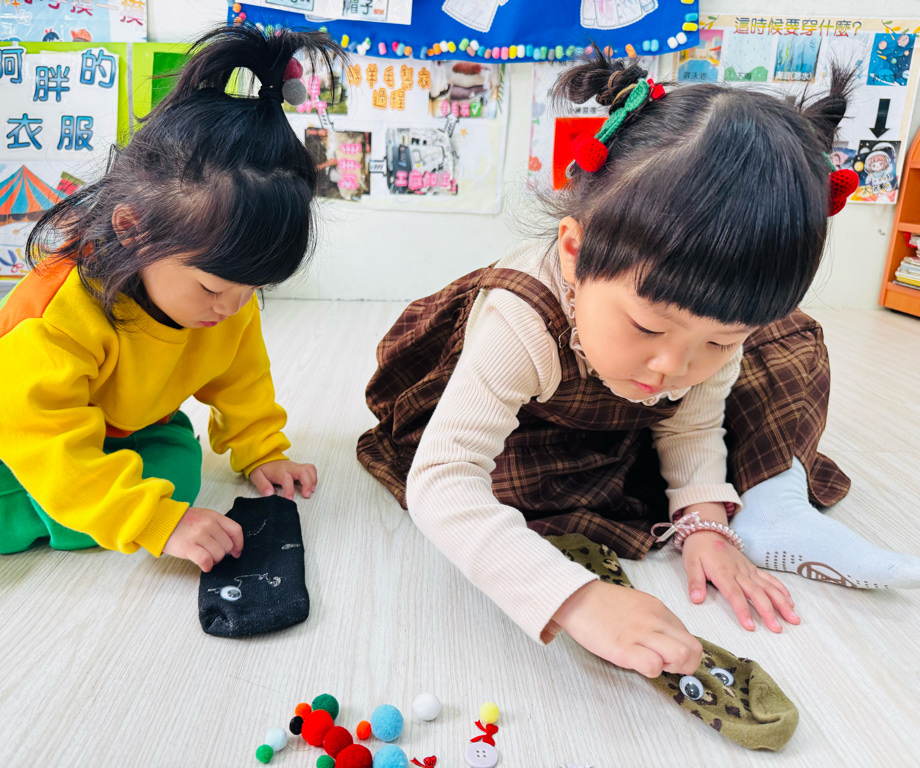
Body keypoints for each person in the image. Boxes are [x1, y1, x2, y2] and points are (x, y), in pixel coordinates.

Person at [358, 50, 919, 679]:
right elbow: (444, 478)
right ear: (575, 253)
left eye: (720, 340)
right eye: (648, 326)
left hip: (626, 419)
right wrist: (573, 597)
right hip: (538, 427)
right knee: (513, 490)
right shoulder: (521, 319)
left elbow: (693, 422)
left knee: (790, 343)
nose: (672, 364)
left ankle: (773, 501)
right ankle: (753, 477)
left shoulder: (692, 346)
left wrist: (704, 524)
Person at [0, 25, 343, 572]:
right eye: (212, 288)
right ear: (133, 230)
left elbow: (241, 378)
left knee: (176, 472)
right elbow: (39, 429)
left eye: (255, 289)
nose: (233, 307)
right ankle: (5, 486)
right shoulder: (60, 311)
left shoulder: (228, 301)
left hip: (112, 425)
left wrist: (262, 449)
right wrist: (143, 515)